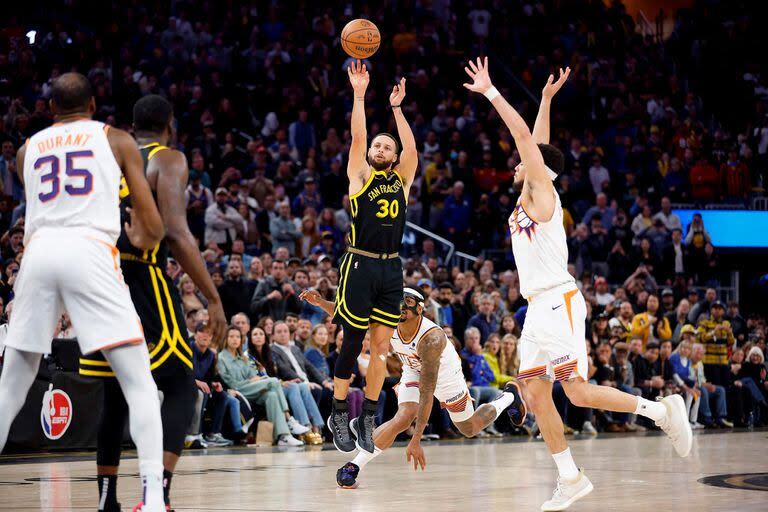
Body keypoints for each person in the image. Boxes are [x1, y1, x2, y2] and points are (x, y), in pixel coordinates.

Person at [463, 59, 691, 511]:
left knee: (579, 392)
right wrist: (545, 100)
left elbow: (529, 143)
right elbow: (539, 144)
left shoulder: (540, 194)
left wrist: (491, 92)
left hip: (557, 302)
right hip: (537, 308)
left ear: (537, 170)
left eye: (522, 162)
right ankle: (569, 476)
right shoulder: (535, 188)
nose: (515, 163)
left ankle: (662, 411)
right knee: (533, 390)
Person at [0, 74, 168, 512]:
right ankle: (151, 500)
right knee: (140, 385)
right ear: (93, 103)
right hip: (89, 250)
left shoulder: (25, 150)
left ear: (51, 108)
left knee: (11, 385)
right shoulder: (115, 139)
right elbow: (151, 225)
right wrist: (143, 235)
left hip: (37, 254)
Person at [77, 94, 227, 512]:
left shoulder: (105, 154)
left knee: (115, 395)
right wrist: (212, 298)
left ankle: (107, 501)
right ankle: (156, 494)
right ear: (169, 125)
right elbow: (177, 234)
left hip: (100, 277)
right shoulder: (167, 158)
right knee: (181, 385)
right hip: (142, 276)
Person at [300, 287, 525, 488]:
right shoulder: (389, 320)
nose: (401, 305)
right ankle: (354, 466)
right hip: (412, 370)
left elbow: (427, 393)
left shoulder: (432, 339)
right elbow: (351, 318)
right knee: (404, 415)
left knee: (468, 427)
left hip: (446, 377)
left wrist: (416, 439)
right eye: (399, 300)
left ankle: (508, 397)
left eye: (408, 302)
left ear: (420, 309)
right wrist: (320, 302)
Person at [327, 60, 419, 455]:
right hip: (360, 262)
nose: (381, 148)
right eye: (378, 146)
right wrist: (360, 94)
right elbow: (358, 136)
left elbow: (413, 148)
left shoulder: (402, 179)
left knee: (382, 347)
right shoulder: (360, 177)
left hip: (391, 266)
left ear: (395, 157)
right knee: (352, 341)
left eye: (388, 146)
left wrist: (397, 109)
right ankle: (336, 411)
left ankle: (367, 415)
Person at [216, 326, 306, 446]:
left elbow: (254, 376)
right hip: (237, 390)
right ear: (226, 339)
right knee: (273, 381)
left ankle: (283, 436)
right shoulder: (221, 358)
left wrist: (254, 380)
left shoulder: (242, 357)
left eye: (237, 337)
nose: (234, 339)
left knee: (272, 395)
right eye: (231, 336)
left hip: (250, 389)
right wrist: (252, 381)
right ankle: (289, 419)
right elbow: (231, 383)